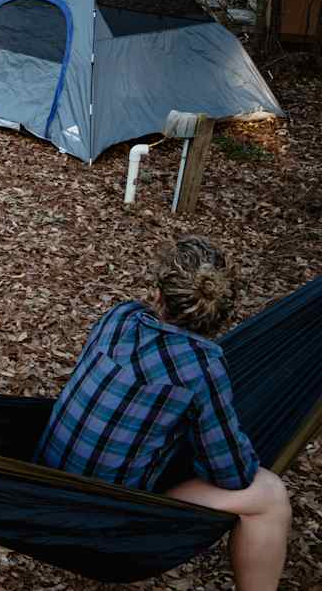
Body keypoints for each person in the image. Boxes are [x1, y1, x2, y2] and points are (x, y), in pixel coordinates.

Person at [35, 235, 291, 591]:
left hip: (43, 478)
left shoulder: (120, 317)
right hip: (108, 509)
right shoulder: (200, 368)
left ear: (158, 294)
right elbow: (232, 473)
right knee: (270, 495)